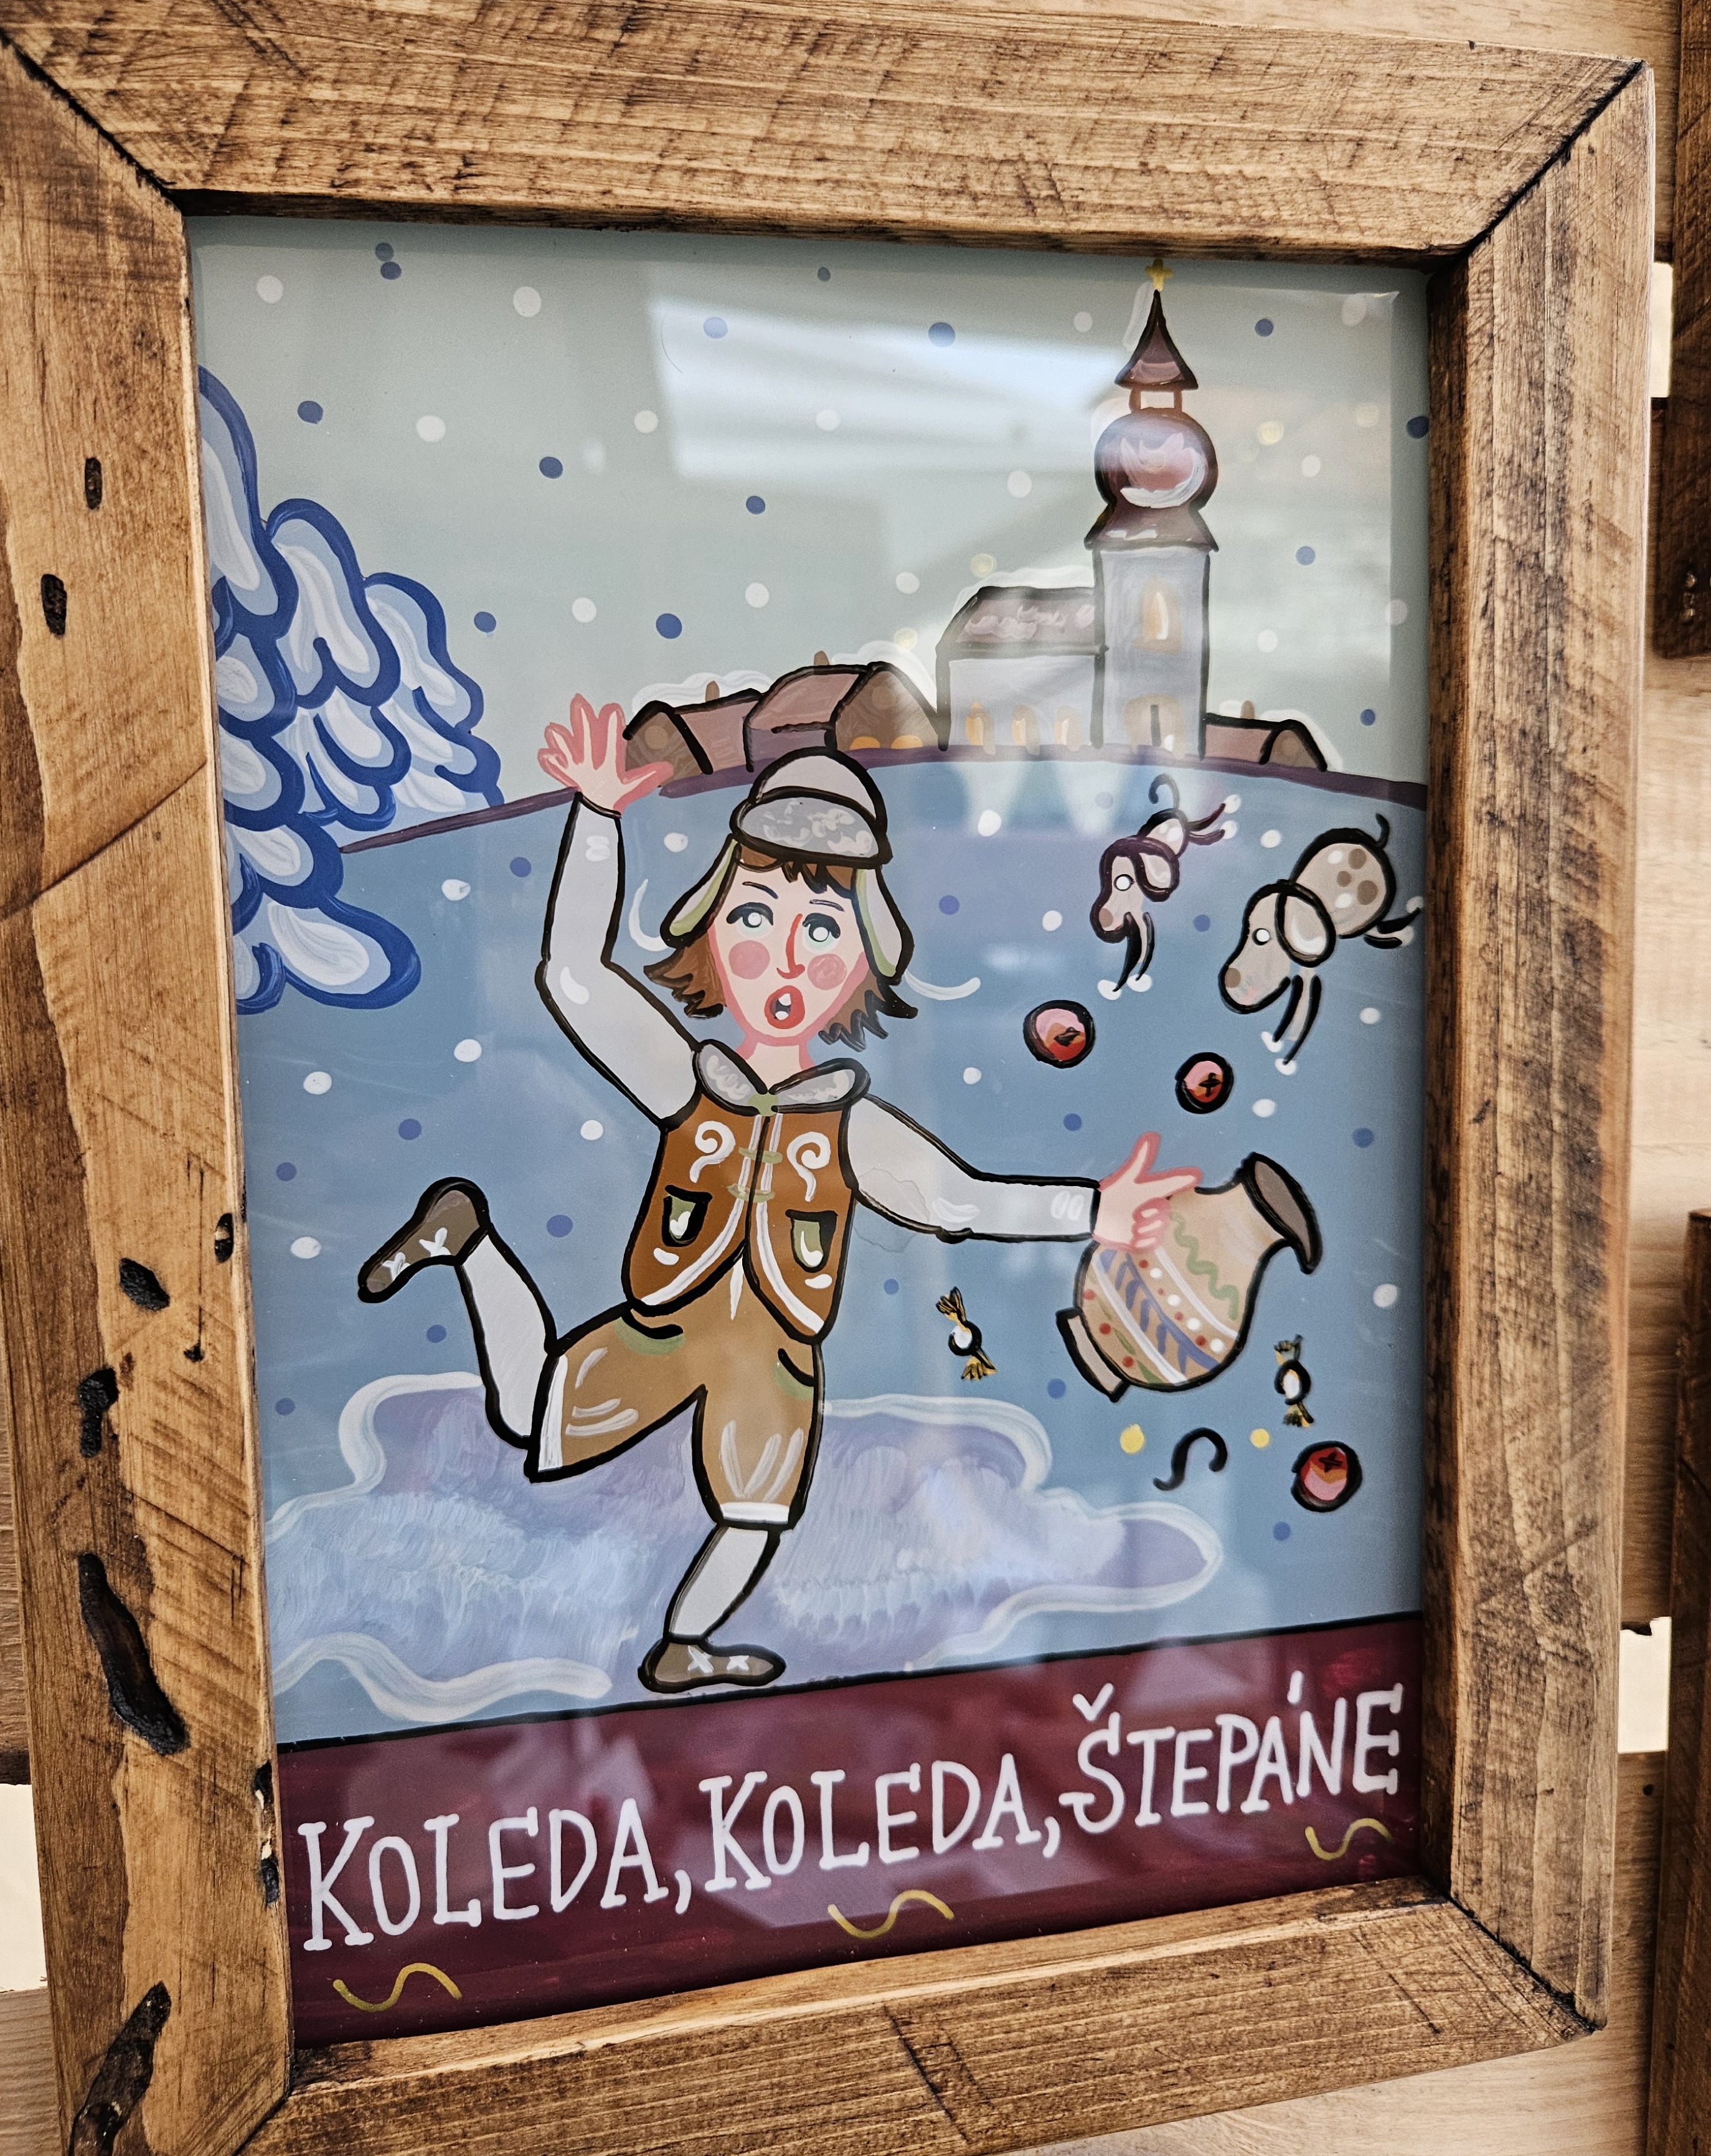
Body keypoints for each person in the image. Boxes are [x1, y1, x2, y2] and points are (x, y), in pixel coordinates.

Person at [359, 696, 1195, 1695]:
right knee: (536, 1418)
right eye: (755, 917)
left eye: (823, 929)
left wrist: (1092, 1213)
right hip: (666, 1324)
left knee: (755, 1517)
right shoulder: (686, 1080)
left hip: (773, 1360)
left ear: (863, 962)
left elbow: (961, 1199)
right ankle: (471, 1244)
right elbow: (574, 973)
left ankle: (683, 1643)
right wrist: (596, 819)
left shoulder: (852, 1128)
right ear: (712, 932)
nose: (788, 955)